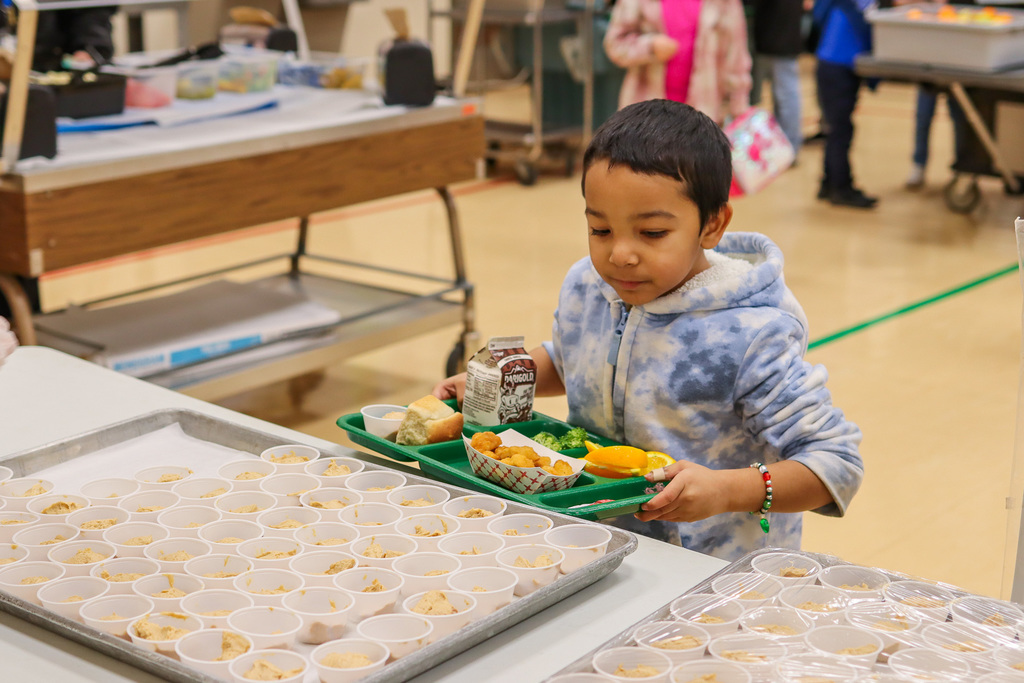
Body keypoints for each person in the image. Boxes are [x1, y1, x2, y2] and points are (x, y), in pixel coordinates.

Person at [434, 100, 864, 561]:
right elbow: (570, 361)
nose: (620, 255)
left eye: (652, 233)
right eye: (600, 229)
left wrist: (725, 490)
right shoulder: (588, 285)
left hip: (710, 570)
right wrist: (503, 380)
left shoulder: (752, 332)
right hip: (594, 540)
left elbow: (835, 465)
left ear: (712, 224)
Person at [603, 0, 751, 125]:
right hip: (646, 116)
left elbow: (736, 59)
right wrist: (650, 46)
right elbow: (614, 44)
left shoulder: (725, 3)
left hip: (703, 116)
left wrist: (739, 111)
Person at [813, 0, 878, 208]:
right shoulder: (860, 7)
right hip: (838, 67)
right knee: (841, 131)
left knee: (835, 129)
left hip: (829, 62)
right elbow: (868, 29)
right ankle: (841, 188)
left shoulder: (842, 5)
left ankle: (829, 183)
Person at [750, 0, 808, 156]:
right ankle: (786, 144)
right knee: (782, 96)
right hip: (779, 37)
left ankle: (790, 148)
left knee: (786, 96)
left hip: (778, 38)